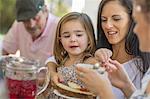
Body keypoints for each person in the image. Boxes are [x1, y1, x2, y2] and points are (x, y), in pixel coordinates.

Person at [76, 0, 150, 98]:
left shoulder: (143, 66)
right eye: (103, 20)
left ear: (132, 20)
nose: (108, 26)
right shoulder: (94, 55)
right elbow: (61, 59)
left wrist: (103, 90)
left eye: (116, 19)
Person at [45, 12, 98, 98]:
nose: (73, 39)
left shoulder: (90, 62)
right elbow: (50, 61)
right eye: (66, 36)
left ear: (89, 38)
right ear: (60, 40)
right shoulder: (62, 59)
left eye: (79, 35)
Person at [2, 0, 58, 65]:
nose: (31, 25)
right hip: (24, 73)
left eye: (36, 18)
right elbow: (4, 49)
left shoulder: (59, 28)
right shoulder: (19, 24)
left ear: (45, 11)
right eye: (26, 20)